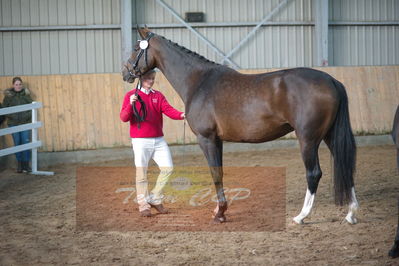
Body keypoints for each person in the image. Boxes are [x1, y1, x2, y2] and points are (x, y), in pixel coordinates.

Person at [120, 69, 185, 217]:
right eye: (148, 78)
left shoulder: (158, 96)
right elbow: (123, 118)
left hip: (158, 140)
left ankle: (155, 198)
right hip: (140, 141)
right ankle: (143, 205)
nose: (151, 81)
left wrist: (183, 115)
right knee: (141, 173)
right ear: (141, 79)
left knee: (168, 168)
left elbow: (169, 111)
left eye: (153, 78)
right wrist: (130, 105)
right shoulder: (131, 96)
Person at [2, 77, 33, 173]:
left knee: (26, 143)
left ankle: (26, 165)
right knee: (17, 143)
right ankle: (19, 164)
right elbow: (4, 109)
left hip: (25, 123)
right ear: (13, 85)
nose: (18, 86)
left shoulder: (26, 95)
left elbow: (32, 107)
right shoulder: (8, 97)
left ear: (22, 85)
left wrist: (27, 116)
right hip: (13, 124)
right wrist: (12, 116)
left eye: (20, 84)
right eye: (16, 84)